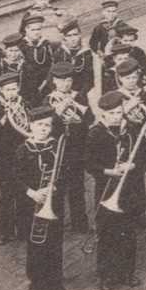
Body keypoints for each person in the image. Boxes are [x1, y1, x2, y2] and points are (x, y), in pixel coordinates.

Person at [88, 91, 146, 290]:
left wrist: (132, 166)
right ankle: (106, 276)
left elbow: (141, 155)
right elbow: (88, 163)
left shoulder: (130, 130)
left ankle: (126, 273)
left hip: (127, 188)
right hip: (106, 188)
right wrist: (109, 171)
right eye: (112, 113)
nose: (116, 117)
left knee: (127, 231)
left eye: (119, 112)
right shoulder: (95, 134)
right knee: (107, 233)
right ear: (103, 114)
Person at [17, 104, 69, 290]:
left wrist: (54, 187)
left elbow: (65, 172)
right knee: (35, 244)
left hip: (52, 202)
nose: (43, 129)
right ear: (31, 126)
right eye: (39, 125)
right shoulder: (23, 149)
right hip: (31, 203)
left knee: (54, 243)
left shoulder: (57, 147)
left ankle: (56, 283)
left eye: (47, 126)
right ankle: (35, 283)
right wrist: (31, 192)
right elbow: (16, 178)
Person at [44, 62, 94, 233]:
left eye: (69, 80)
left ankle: (80, 223)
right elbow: (46, 125)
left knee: (77, 186)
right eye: (62, 81)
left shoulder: (79, 97)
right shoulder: (48, 99)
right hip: (57, 147)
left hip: (76, 147)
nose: (66, 84)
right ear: (54, 81)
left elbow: (89, 120)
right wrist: (59, 111)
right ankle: (56, 223)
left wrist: (77, 109)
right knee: (58, 185)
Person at [0, 71, 34, 244]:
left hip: (22, 153)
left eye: (14, 89)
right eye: (8, 90)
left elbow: (30, 124)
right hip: (4, 155)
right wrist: (6, 117)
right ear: (1, 91)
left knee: (23, 192)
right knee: (7, 194)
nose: (11, 93)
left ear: (19, 88)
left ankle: (23, 229)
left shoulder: (24, 103)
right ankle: (4, 232)